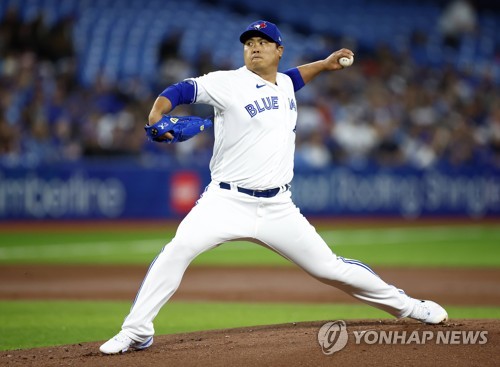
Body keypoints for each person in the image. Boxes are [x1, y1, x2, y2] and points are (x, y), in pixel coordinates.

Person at [100, 20, 448, 354]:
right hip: (225, 201)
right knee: (177, 251)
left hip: (278, 208)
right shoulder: (227, 83)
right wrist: (156, 115)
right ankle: (136, 331)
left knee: (330, 268)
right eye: (249, 44)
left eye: (262, 43)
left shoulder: (283, 83)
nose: (254, 48)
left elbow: (295, 78)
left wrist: (325, 65)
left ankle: (409, 307)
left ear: (279, 50)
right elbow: (179, 90)